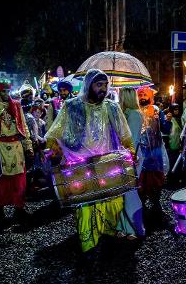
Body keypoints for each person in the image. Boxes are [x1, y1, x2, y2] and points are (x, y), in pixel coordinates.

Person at [45, 69, 135, 254]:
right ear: (88, 85)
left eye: (105, 85)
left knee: (113, 203)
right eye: (98, 84)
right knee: (86, 206)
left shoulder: (112, 107)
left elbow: (125, 134)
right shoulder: (71, 106)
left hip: (108, 165)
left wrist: (130, 150)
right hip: (81, 166)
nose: (103, 88)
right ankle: (89, 246)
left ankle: (108, 237)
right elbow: (55, 133)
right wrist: (55, 148)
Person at [0, 81, 34, 227]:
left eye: (7, 91)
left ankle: (19, 209)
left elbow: (23, 127)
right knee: (1, 181)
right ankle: (0, 210)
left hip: (16, 146)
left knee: (19, 180)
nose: (6, 94)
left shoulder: (17, 105)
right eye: (3, 92)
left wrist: (28, 146)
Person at [136, 86, 171, 229]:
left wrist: (167, 120)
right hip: (140, 154)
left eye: (145, 94)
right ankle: (141, 210)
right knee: (140, 185)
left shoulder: (157, 110)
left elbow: (166, 129)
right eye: (140, 95)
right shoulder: (134, 112)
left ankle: (156, 208)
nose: (142, 97)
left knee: (156, 185)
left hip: (155, 155)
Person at [116, 87, 145, 239]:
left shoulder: (133, 115)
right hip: (122, 156)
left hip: (130, 157)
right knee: (121, 192)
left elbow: (132, 140)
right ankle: (123, 226)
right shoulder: (124, 114)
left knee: (130, 193)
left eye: (121, 94)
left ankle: (134, 227)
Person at [166, 103, 184, 188]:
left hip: (177, 146)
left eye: (177, 109)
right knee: (171, 164)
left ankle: (176, 181)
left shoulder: (179, 119)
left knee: (177, 164)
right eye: (175, 109)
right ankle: (171, 182)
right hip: (171, 146)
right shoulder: (169, 119)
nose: (176, 111)